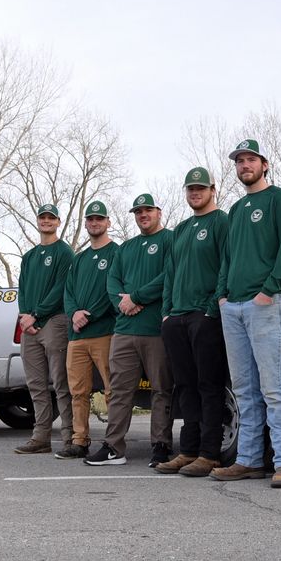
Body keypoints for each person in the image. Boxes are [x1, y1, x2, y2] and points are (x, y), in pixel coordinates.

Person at [210, 139, 281, 488]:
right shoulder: (235, 210)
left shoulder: (280, 200)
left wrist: (270, 289)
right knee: (244, 389)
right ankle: (248, 461)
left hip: (268, 305)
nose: (244, 165)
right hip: (233, 308)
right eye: (239, 161)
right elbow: (228, 257)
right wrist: (222, 295)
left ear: (264, 164)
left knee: (274, 388)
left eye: (250, 160)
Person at [84, 193, 174, 467]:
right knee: (120, 391)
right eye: (138, 212)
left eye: (147, 210)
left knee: (161, 389)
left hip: (155, 329)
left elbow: (169, 276)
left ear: (158, 212)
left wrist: (136, 297)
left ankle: (160, 445)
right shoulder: (126, 248)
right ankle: (114, 446)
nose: (142, 215)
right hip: (124, 330)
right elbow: (112, 282)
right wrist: (123, 303)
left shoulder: (170, 240)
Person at [154, 167, 231, 477]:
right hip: (177, 318)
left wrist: (213, 305)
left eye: (201, 188)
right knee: (184, 386)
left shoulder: (222, 222)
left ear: (212, 189)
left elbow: (227, 263)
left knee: (208, 384)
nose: (195, 193)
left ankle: (210, 453)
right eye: (190, 189)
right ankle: (187, 450)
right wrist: (167, 312)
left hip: (205, 316)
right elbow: (171, 272)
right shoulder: (182, 228)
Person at [56, 200, 119, 460]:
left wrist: (88, 315)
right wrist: (73, 314)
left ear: (108, 222)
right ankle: (79, 440)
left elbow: (112, 291)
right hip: (77, 336)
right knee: (78, 391)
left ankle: (113, 441)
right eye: (90, 219)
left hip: (104, 332)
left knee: (111, 389)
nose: (95, 223)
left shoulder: (117, 252)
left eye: (99, 219)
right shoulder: (79, 258)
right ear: (86, 224)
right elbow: (68, 292)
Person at [13, 204, 75, 455]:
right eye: (43, 217)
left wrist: (37, 314)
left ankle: (71, 436)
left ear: (58, 222)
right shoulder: (29, 256)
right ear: (38, 221)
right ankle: (41, 437)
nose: (46, 221)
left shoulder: (65, 253)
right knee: (36, 384)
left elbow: (60, 289)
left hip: (54, 322)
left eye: (51, 218)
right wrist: (25, 316)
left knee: (61, 382)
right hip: (30, 327)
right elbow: (23, 289)